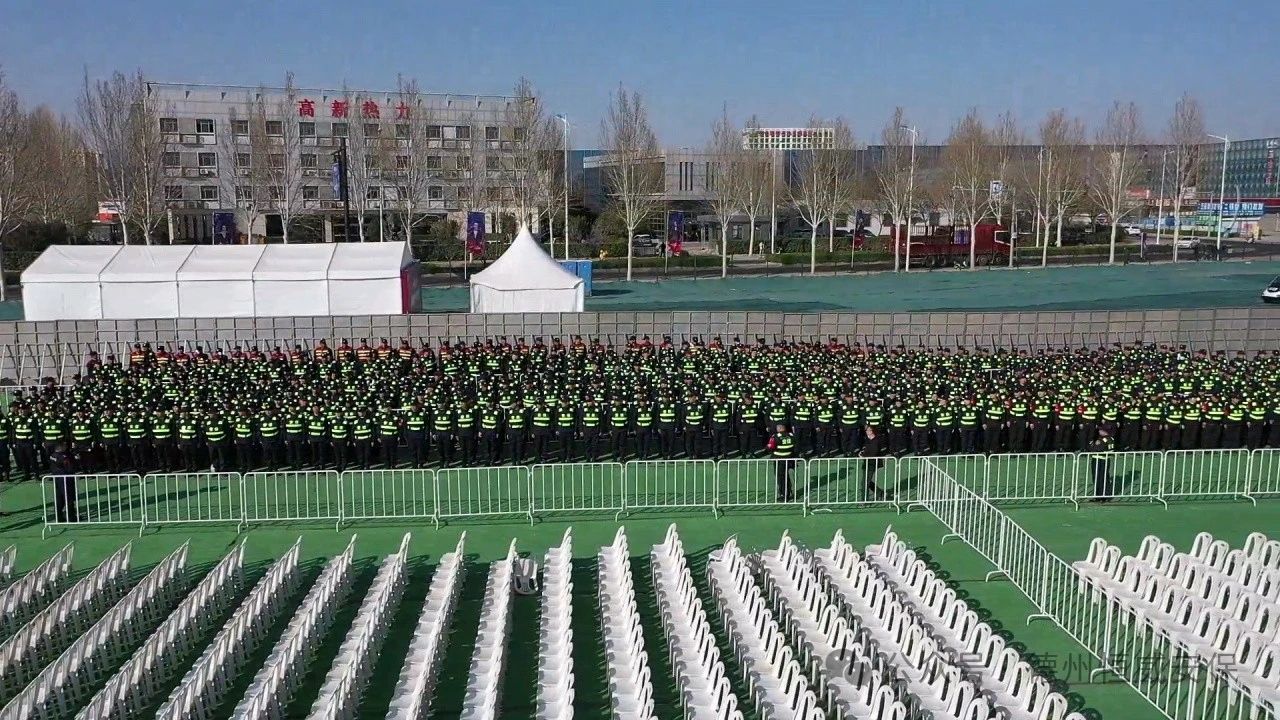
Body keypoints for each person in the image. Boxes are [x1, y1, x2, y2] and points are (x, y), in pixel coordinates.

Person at [766, 423, 796, 501]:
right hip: (789, 458)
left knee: (781, 477)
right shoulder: (791, 435)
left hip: (779, 460)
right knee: (787, 477)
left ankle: (784, 495)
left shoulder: (775, 437)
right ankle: (788, 492)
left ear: (779, 429)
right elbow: (796, 446)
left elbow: (770, 447)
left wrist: (768, 448)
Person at [1087, 428, 1116, 502]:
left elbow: (1096, 449)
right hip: (1100, 459)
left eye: (1100, 430)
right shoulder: (1108, 438)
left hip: (1101, 460)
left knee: (1101, 478)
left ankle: (1102, 496)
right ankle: (1100, 496)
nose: (1099, 432)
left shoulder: (1105, 439)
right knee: (1100, 478)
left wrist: (1094, 445)